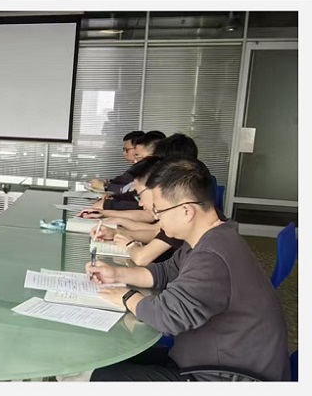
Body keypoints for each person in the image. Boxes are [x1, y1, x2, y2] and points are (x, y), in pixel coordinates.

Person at [87, 157, 290, 381]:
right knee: (108, 358)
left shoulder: (212, 256)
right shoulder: (211, 237)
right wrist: (116, 274)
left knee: (97, 376)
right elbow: (165, 272)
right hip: (203, 358)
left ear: (186, 210)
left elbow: (167, 316)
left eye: (159, 211)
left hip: (225, 376)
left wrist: (126, 297)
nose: (156, 218)